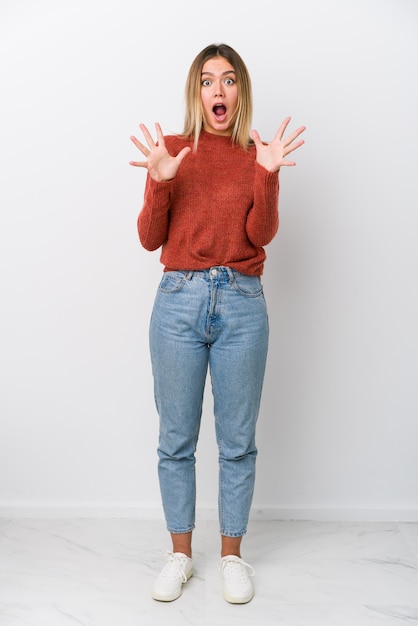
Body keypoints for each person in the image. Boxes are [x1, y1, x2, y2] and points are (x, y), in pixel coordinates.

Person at [129, 43, 305, 604]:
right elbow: (149, 238)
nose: (219, 91)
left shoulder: (257, 151)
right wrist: (160, 179)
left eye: (229, 81)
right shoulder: (173, 150)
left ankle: (231, 557)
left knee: (237, 441)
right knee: (175, 439)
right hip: (178, 302)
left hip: (243, 304)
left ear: (240, 92)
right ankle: (180, 554)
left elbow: (261, 235)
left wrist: (268, 175)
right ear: (196, 92)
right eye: (208, 81)